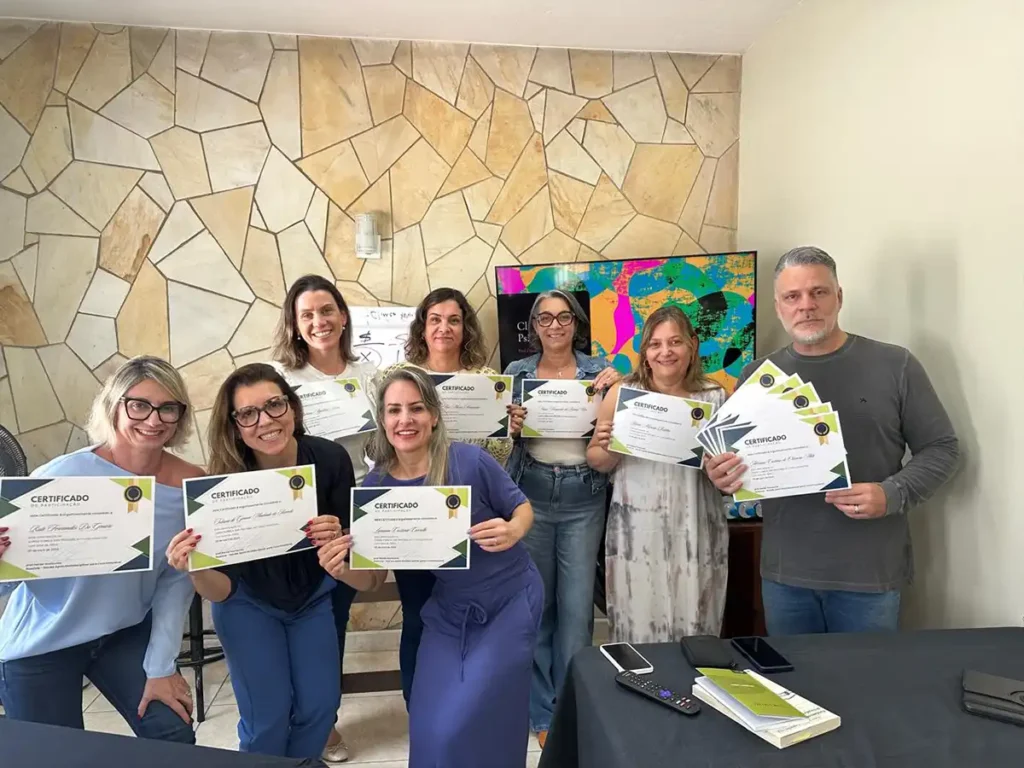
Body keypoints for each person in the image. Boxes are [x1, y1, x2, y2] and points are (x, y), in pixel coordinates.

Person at [705, 246, 960, 635]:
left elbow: (942, 448)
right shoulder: (758, 376)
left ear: (838, 297)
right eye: (793, 296)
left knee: (864, 689)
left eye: (818, 292)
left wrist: (892, 492)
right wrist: (722, 475)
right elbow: (732, 463)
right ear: (779, 306)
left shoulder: (895, 365)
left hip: (869, 576)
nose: (806, 306)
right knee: (796, 690)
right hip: (784, 575)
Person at [318, 366, 542, 768]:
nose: (405, 420)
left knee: (481, 715)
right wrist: (340, 568)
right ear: (382, 420)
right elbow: (369, 580)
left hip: (510, 600)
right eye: (394, 410)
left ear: (434, 415)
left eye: (416, 408)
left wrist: (513, 530)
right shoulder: (374, 490)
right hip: (450, 610)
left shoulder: (469, 461)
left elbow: (522, 508)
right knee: (429, 723)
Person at [0, 356, 202, 742]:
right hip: (44, 640)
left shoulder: (189, 486)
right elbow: (6, 585)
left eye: (168, 408)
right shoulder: (58, 477)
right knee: (54, 756)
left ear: (180, 416)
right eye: (139, 404)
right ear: (114, 406)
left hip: (122, 633)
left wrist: (162, 666)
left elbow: (175, 584)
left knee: (172, 733)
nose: (154, 419)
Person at [165, 363, 359, 759]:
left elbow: (354, 554)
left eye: (274, 405)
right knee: (267, 718)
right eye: (248, 414)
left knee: (320, 708)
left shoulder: (330, 459)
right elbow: (218, 592)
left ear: (292, 407)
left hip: (312, 601)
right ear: (234, 425)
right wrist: (196, 566)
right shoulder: (219, 484)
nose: (265, 421)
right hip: (245, 605)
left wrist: (337, 540)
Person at [373, 286, 510, 705]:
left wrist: (508, 427)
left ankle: (469, 700)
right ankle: (421, 705)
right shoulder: (398, 377)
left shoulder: (488, 382)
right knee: (419, 614)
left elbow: (500, 455)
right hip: (413, 510)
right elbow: (381, 441)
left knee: (469, 614)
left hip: (469, 515)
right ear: (423, 326)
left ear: (465, 327)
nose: (444, 328)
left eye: (453, 319)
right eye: (435, 319)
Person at [502, 290, 621, 747]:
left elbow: (621, 423)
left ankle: (572, 707)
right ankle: (540, 711)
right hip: (529, 493)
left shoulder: (600, 371)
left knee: (576, 612)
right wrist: (508, 426)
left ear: (576, 323)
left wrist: (621, 383)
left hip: (583, 495)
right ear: (533, 327)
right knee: (538, 605)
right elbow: (503, 442)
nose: (555, 326)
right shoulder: (517, 373)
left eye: (564, 317)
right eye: (545, 319)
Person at [270, 274, 377, 762]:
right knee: (298, 614)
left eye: (327, 310)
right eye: (308, 314)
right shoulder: (279, 378)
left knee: (335, 616)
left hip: (354, 511)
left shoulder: (368, 371)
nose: (320, 321)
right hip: (298, 513)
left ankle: (322, 717)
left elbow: (380, 445)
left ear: (344, 315)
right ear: (294, 324)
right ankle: (304, 716)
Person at [588, 306, 729, 642]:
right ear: (645, 352)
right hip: (636, 532)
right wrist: (610, 448)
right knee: (639, 625)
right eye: (655, 344)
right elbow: (595, 458)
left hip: (695, 527)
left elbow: (731, 476)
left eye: (675, 342)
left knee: (695, 621)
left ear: (692, 345)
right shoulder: (624, 395)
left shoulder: (714, 396)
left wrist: (718, 467)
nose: (665, 351)